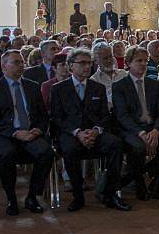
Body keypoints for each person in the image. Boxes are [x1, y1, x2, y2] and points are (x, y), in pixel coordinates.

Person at [51, 48, 130, 212]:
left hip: (94, 133)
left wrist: (95, 130)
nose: (87, 67)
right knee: (69, 149)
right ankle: (78, 195)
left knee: (115, 144)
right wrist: (77, 132)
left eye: (89, 63)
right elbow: (57, 118)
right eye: (82, 63)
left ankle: (109, 193)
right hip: (71, 134)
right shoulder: (59, 89)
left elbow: (104, 116)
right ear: (71, 66)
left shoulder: (97, 88)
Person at [0, 50, 54, 216]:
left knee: (46, 152)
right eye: (16, 62)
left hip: (30, 133)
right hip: (5, 135)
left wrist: (38, 129)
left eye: (22, 62)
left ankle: (32, 196)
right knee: (6, 153)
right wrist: (15, 133)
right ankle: (11, 198)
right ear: (4, 66)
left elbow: (42, 115)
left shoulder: (32, 86)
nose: (21, 65)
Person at [112, 46, 159, 200]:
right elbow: (122, 116)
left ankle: (132, 176)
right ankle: (140, 183)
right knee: (137, 148)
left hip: (153, 128)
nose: (143, 64)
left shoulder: (153, 85)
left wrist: (156, 131)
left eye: (145, 61)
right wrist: (140, 133)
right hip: (132, 130)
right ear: (128, 63)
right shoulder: (120, 86)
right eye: (138, 61)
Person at [90, 41, 128, 109]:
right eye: (105, 58)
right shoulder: (94, 81)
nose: (109, 60)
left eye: (111, 56)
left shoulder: (124, 74)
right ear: (96, 61)